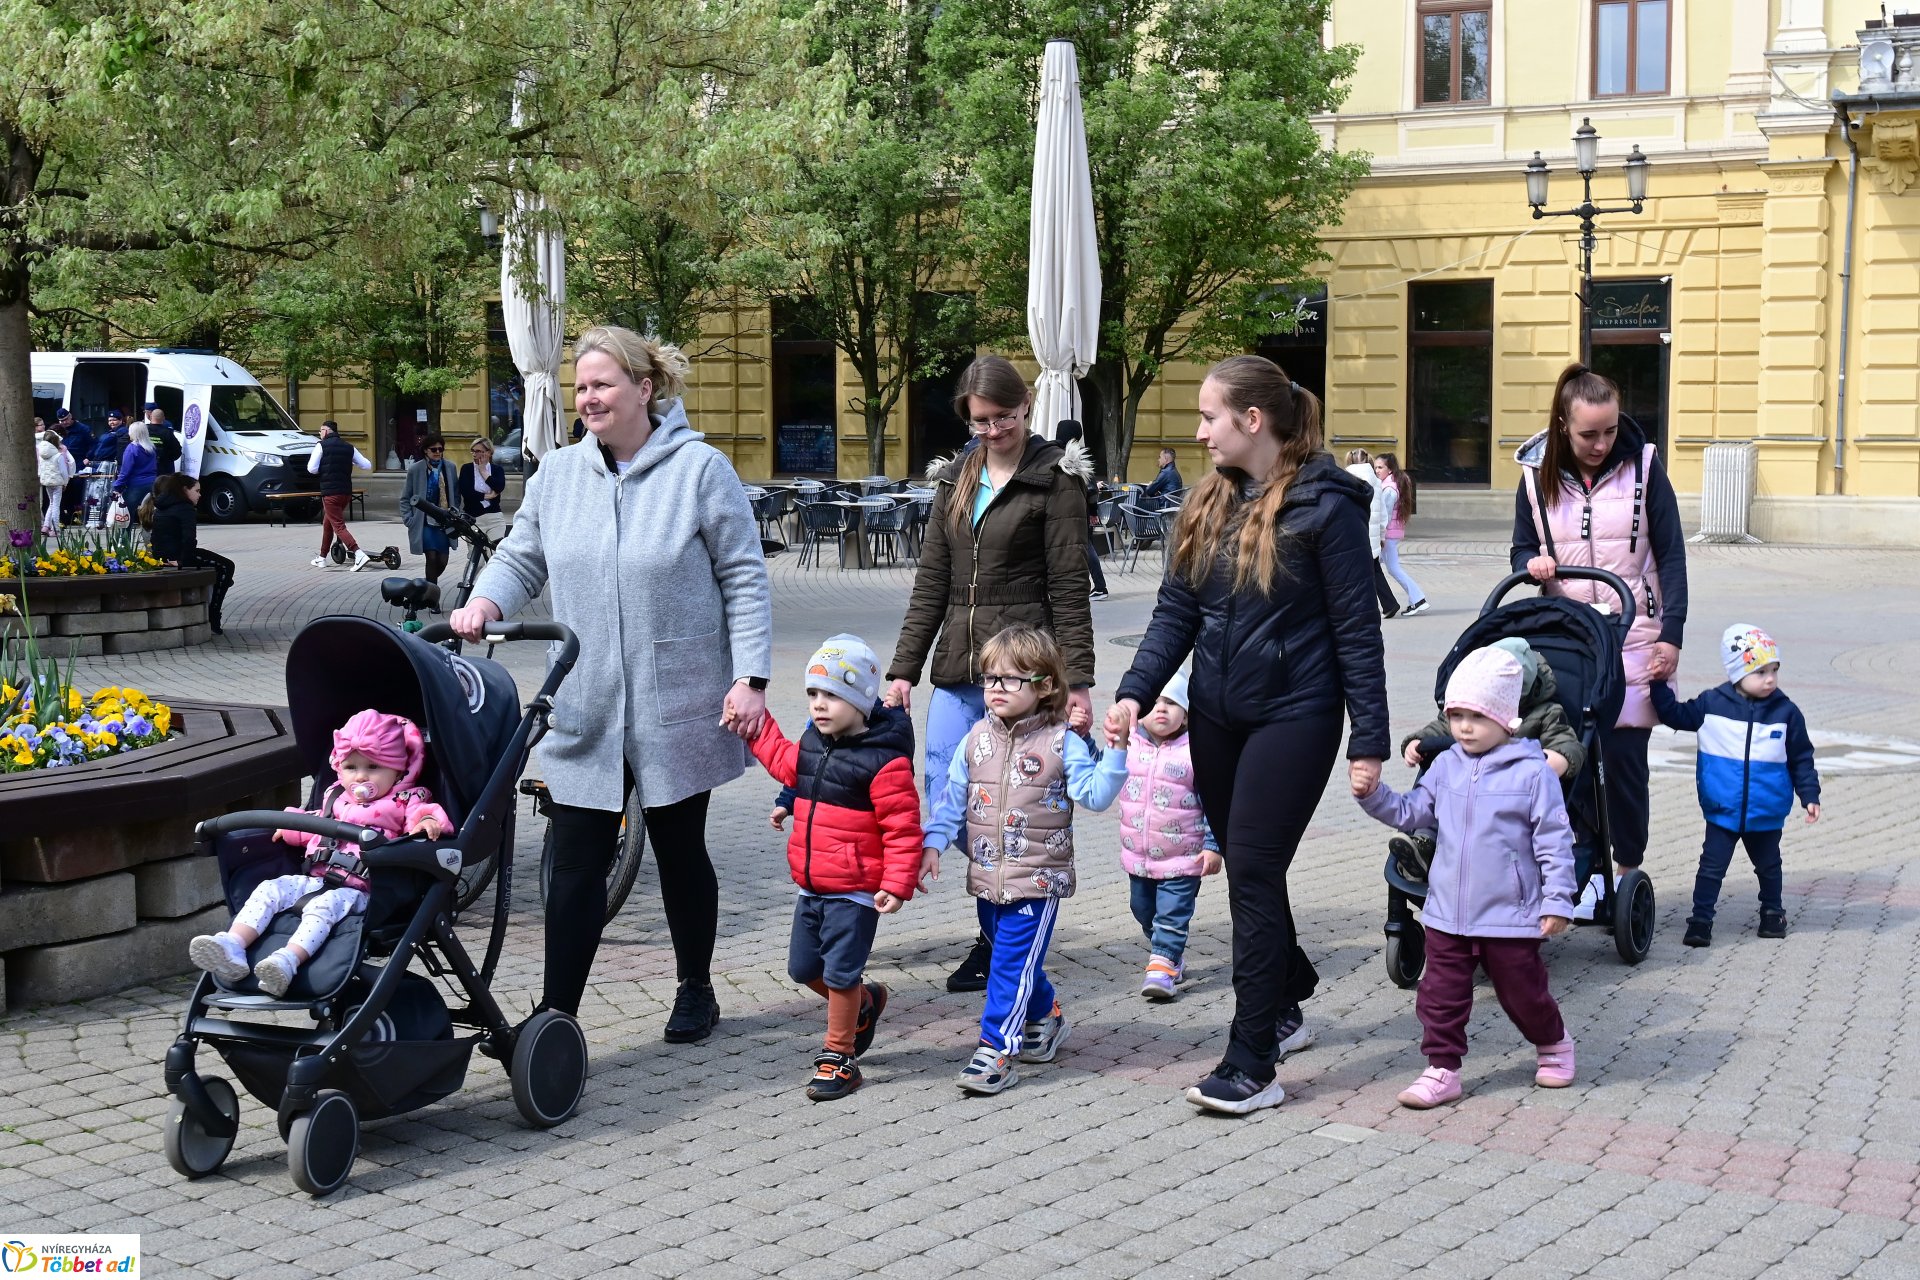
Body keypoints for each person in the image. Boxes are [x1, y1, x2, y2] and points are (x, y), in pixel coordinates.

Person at [450, 325, 771, 1043]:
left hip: (679, 695)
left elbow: (744, 579)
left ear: (644, 389)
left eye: (602, 384)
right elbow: (521, 556)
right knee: (574, 863)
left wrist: (750, 677)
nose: (588, 398)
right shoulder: (559, 475)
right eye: (582, 386)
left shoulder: (700, 470)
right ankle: (556, 1017)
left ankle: (696, 988)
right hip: (587, 697)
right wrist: (486, 601)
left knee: (679, 850)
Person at [1107, 354, 1387, 1116]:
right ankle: (1287, 987)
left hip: (1295, 715)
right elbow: (1176, 614)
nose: (1199, 434)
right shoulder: (1208, 502)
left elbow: (1358, 634)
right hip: (1218, 717)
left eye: (1209, 417)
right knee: (1247, 868)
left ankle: (1252, 1058)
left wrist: (1370, 742)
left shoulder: (1328, 508)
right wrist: (1134, 692)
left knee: (1256, 873)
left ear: (1252, 421)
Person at [885, 354, 1097, 995]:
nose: (991, 430)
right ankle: (996, 921)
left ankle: (998, 941)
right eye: (979, 420)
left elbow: (1069, 586)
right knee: (953, 802)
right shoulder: (954, 479)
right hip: (957, 665)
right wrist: (902, 670)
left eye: (1002, 417)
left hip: (1024, 669)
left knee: (1019, 808)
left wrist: (1078, 682)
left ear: (1027, 405)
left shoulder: (1055, 481)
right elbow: (932, 582)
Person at [1355, 647, 1578, 1109]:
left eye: (1475, 716)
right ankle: (1442, 1068)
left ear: (1505, 719)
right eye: (1455, 716)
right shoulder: (1445, 765)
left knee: (1523, 994)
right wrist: (1373, 795)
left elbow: (1554, 840)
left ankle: (1553, 1042)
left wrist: (1557, 901)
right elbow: (1412, 812)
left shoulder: (1534, 773)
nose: (1464, 728)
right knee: (1440, 995)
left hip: (1509, 915)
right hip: (1446, 912)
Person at [922, 625, 1127, 1095]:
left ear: (1045, 685)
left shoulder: (1062, 742)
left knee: (1008, 967)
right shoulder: (976, 739)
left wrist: (1115, 753)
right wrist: (933, 843)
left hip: (1038, 879)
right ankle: (1045, 1016)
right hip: (988, 877)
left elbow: (1094, 795)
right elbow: (951, 799)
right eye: (989, 677)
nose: (995, 687)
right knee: (1012, 959)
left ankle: (996, 1049)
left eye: (1010, 679)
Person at [1513, 363, 1688, 884]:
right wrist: (1530, 564)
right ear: (1562, 424)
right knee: (1570, 757)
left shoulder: (1646, 466)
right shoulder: (1533, 475)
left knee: (1625, 761)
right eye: (1589, 433)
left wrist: (1672, 635)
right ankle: (1576, 867)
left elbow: (1673, 555)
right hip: (1567, 642)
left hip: (1635, 637)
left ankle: (1627, 867)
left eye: (1610, 430)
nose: (1601, 443)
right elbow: (1522, 547)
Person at [745, 635, 925, 1101]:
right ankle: (866, 1003)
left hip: (857, 890)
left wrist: (896, 885)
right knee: (803, 969)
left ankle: (839, 1056)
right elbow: (788, 764)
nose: (820, 706)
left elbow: (903, 829)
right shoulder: (813, 742)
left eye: (833, 696)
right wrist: (755, 724)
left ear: (862, 702)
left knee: (842, 973)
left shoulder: (883, 761)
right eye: (813, 694)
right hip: (812, 885)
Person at [188, 710, 450, 997]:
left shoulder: (405, 800)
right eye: (351, 767)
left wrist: (427, 822)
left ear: (398, 770)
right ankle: (233, 945)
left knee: (320, 909)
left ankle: (287, 960)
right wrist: (290, 828)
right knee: (269, 889)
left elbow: (422, 816)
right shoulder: (335, 797)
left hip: (362, 891)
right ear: (338, 768)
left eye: (373, 767)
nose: (360, 776)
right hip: (316, 878)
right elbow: (315, 821)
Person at [1651, 625, 1822, 947]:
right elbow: (1675, 715)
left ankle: (1773, 913)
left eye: (1774, 670)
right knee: (1711, 868)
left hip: (1766, 810)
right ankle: (1701, 919)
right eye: (1760, 672)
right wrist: (1658, 685)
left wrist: (1809, 795)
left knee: (1769, 866)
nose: (1770, 679)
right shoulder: (1711, 704)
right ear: (1737, 673)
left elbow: (1801, 757)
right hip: (1722, 808)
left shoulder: (1786, 712)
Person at [1391, 636, 1583, 880]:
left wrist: (1554, 760)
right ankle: (1422, 846)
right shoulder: (1471, 703)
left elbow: (1566, 743)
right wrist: (1417, 742)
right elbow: (1441, 726)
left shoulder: (1546, 713)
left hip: (1507, 796)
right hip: (1463, 787)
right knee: (1437, 787)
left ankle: (1435, 852)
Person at [1116, 669, 1222, 1001]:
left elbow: (1216, 801)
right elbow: (1100, 767)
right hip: (1139, 856)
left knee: (1172, 912)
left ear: (1187, 715)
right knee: (1142, 908)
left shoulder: (1197, 751)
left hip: (1184, 857)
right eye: (1154, 702)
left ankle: (1162, 966)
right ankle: (1170, 953)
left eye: (1172, 703)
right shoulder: (1129, 745)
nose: (1161, 709)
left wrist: (1214, 845)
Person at [148, 474, 235, 635]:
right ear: (184, 490)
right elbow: (189, 540)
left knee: (220, 569)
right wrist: (182, 563)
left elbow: (156, 538)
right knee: (226, 567)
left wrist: (160, 559)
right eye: (197, 491)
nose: (200, 495)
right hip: (178, 556)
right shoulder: (185, 508)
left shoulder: (162, 505)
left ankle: (215, 602)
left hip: (163, 556)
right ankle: (213, 614)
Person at [1053, 420, 1109, 601]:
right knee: (1085, 547)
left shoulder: (1054, 456)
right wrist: (1093, 512)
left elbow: (1090, 489)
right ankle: (1096, 586)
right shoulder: (1077, 457)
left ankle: (1099, 587)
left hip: (1063, 513)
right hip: (1079, 512)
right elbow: (1092, 490)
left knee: (1084, 548)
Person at [307, 420, 372, 571]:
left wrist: (324, 468)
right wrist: (349, 462)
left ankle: (358, 553)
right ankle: (322, 558)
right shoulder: (349, 447)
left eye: (321, 430)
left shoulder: (321, 446)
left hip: (330, 492)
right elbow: (366, 465)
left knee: (338, 526)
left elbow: (311, 469)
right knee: (328, 523)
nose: (319, 433)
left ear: (327, 431)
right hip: (346, 493)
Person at [1343, 448, 1399, 619]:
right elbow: (1383, 513)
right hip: (1372, 534)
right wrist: (1382, 535)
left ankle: (1358, 608)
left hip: (1354, 533)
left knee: (1351, 572)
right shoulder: (1375, 481)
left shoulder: (1346, 480)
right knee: (1374, 571)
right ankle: (1389, 603)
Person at [1373, 452, 1429, 616]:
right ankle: (1416, 599)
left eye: (1380, 467)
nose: (1377, 470)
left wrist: (1381, 536)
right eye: (1375, 467)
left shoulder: (1389, 489)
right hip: (1391, 534)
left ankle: (1418, 599)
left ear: (1389, 469)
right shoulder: (1390, 484)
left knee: (1393, 569)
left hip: (1388, 535)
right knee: (1381, 567)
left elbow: (1386, 515)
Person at [401, 435, 459, 584]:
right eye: (434, 449)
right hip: (424, 521)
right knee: (431, 557)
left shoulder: (450, 467)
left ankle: (425, 587)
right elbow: (406, 497)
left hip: (445, 520)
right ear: (426, 450)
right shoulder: (416, 469)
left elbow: (456, 495)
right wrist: (409, 519)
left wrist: (457, 513)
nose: (438, 452)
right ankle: (433, 601)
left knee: (443, 561)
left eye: (440, 449)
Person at [458, 437, 508, 542]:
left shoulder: (497, 470)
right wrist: (487, 496)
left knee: (495, 553)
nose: (474, 454)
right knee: (477, 556)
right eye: (473, 451)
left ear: (488, 452)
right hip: (474, 518)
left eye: (478, 451)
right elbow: (466, 492)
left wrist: (483, 471)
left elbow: (499, 487)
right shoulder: (466, 469)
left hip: (494, 517)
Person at [113, 421, 158, 518]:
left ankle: (126, 533)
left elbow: (125, 471)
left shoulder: (132, 448)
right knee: (149, 514)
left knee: (126, 515)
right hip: (152, 483)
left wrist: (117, 485)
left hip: (136, 484)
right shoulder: (151, 447)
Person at [36, 427, 73, 535]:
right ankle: (55, 528)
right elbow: (64, 472)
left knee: (51, 503)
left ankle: (46, 525)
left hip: (47, 482)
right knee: (56, 505)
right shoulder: (58, 456)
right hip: (57, 483)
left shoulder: (42, 456)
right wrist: (65, 482)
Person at [144, 403, 181, 476]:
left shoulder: (143, 429)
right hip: (164, 469)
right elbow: (177, 450)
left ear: (151, 416)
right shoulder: (167, 432)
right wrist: (168, 459)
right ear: (163, 418)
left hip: (146, 468)